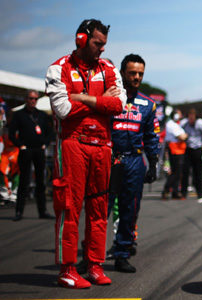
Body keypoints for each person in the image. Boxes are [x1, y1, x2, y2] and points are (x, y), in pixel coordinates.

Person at [46, 18, 126, 288]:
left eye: (104, 45)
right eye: (97, 43)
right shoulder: (59, 69)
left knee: (99, 209)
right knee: (69, 207)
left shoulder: (109, 68)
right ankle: (67, 269)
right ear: (81, 39)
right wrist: (102, 100)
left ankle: (94, 265)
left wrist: (84, 98)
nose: (102, 49)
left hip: (103, 146)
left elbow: (119, 105)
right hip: (72, 144)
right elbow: (63, 109)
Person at [107, 54, 161, 273]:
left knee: (130, 210)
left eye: (140, 73)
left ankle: (122, 254)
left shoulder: (148, 104)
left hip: (135, 160)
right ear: (122, 73)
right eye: (132, 73)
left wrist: (154, 163)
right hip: (110, 158)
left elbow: (151, 136)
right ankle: (91, 258)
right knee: (100, 209)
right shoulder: (109, 98)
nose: (137, 77)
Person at [8, 90, 54, 221]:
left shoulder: (42, 115)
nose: (33, 101)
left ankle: (43, 211)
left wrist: (45, 143)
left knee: (41, 182)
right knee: (24, 181)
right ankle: (19, 211)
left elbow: (50, 132)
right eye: (30, 98)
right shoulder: (19, 115)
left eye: (35, 98)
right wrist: (20, 146)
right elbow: (11, 134)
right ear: (26, 99)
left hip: (39, 150)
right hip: (25, 151)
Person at [180, 108, 202, 199]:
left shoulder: (201, 124)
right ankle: (183, 192)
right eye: (189, 117)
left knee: (198, 172)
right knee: (185, 172)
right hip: (188, 149)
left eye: (192, 117)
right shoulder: (184, 123)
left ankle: (200, 192)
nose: (191, 119)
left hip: (197, 148)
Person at [162, 108, 187, 200]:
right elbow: (182, 136)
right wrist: (185, 135)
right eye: (179, 114)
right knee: (175, 172)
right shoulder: (171, 124)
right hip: (175, 149)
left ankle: (175, 192)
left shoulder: (176, 124)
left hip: (179, 149)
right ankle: (166, 190)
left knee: (178, 172)